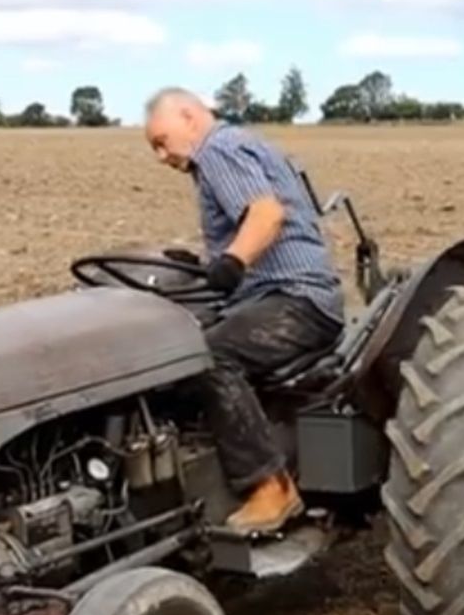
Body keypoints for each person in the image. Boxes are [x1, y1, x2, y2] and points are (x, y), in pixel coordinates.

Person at [142, 87, 344, 534]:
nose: (160, 156)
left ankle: (270, 487)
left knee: (208, 357)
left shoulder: (217, 149)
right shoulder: (236, 144)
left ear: (189, 117)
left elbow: (266, 214)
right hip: (280, 295)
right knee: (174, 348)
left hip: (295, 300)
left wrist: (233, 262)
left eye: (161, 142)